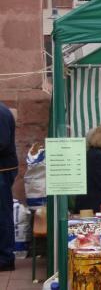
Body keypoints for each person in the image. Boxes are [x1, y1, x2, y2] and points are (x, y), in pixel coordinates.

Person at [0, 102, 18, 272]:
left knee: (3, 215)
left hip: (3, 170)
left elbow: (2, 142)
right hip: (4, 169)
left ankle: (5, 258)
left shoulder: (1, 112)